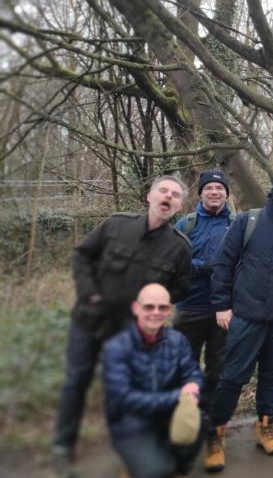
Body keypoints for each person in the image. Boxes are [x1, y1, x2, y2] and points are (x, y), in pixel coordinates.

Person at [52, 175, 192, 471]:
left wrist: (153, 307)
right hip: (90, 322)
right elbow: (82, 256)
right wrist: (89, 293)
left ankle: (132, 448)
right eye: (163, 191)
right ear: (149, 197)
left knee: (126, 389)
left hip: (131, 332)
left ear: (179, 205)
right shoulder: (117, 224)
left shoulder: (179, 247)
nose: (168, 197)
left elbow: (181, 288)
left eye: (175, 195)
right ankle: (63, 446)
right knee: (77, 381)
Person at [207, 173, 273, 470]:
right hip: (246, 316)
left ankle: (266, 427)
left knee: (272, 377)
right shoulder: (249, 222)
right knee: (232, 377)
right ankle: (216, 435)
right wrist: (221, 305)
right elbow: (224, 264)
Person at [102, 283, 203, 478]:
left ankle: (179, 470)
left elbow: (191, 371)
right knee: (156, 470)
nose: (156, 312)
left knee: (199, 423)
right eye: (149, 307)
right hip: (131, 422)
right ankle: (137, 467)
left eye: (162, 307)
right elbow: (123, 398)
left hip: (167, 414)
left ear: (169, 309)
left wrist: (193, 384)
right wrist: (177, 396)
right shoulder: (116, 347)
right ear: (136, 308)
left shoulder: (177, 340)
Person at [172, 170, 233, 471]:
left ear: (227, 194)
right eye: (209, 188)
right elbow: (173, 260)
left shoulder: (237, 224)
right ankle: (185, 432)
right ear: (200, 194)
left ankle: (214, 433)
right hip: (190, 307)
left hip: (225, 311)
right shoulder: (186, 224)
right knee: (185, 371)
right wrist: (204, 266)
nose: (214, 193)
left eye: (219, 189)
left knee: (219, 373)